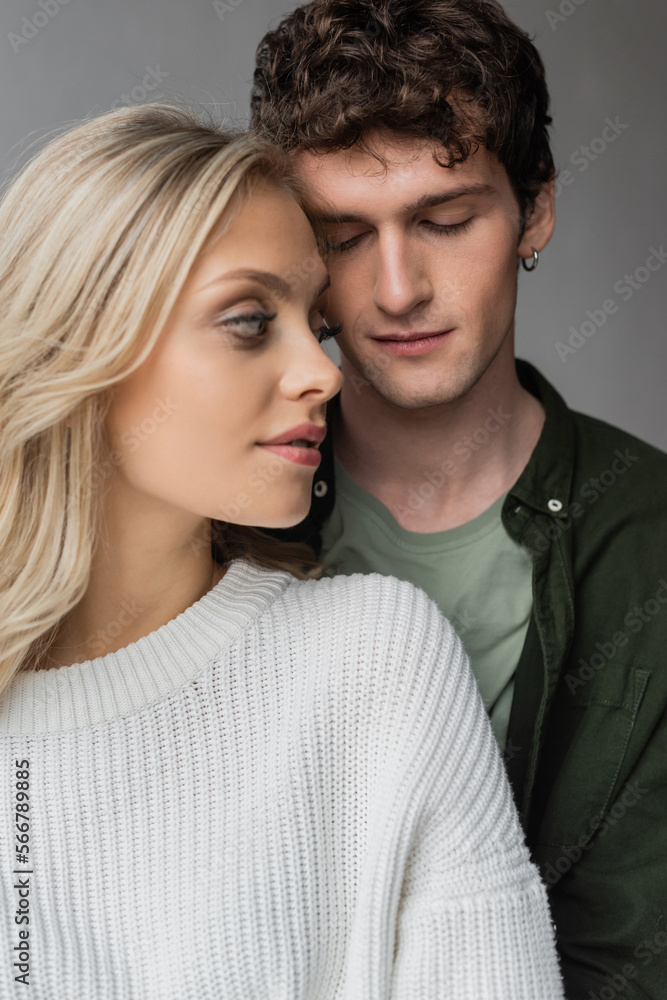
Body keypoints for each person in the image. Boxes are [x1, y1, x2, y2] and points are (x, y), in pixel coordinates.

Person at [0, 103, 563, 998]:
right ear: (84, 340)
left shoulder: (371, 661)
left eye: (315, 322)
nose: (323, 372)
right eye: (250, 320)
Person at [249, 1, 667, 997]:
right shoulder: (210, 521)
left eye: (444, 219)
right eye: (343, 235)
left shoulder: (650, 539)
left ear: (535, 209)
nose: (396, 290)